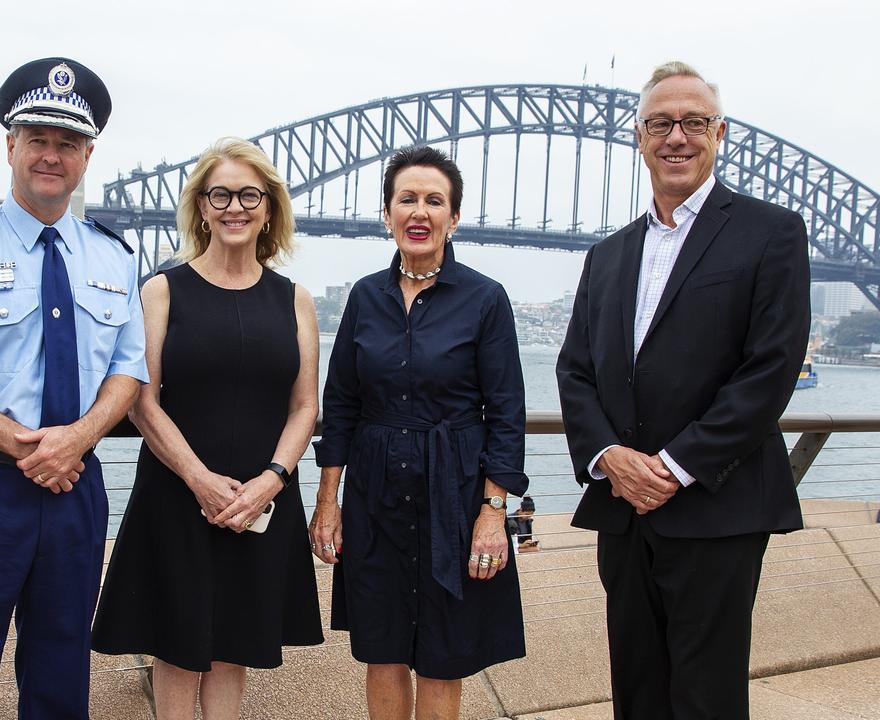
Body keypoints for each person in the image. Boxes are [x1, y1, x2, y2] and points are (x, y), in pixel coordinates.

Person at [556, 61, 810, 720]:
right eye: (661, 123)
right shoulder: (607, 255)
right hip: (623, 507)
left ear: (719, 132)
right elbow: (575, 371)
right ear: (638, 136)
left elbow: (770, 368)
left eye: (694, 122)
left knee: (706, 698)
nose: (678, 137)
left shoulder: (770, 231)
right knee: (636, 691)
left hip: (715, 507)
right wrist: (608, 456)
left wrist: (673, 468)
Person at [0, 57, 146, 720]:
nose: (51, 155)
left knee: (61, 672)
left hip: (75, 488)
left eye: (67, 143)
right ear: (10, 145)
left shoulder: (113, 257)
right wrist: (28, 446)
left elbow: (129, 369)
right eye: (37, 139)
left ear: (88, 155)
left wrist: (77, 441)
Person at [92, 137, 324, 719]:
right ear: (201, 206)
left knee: (234, 648)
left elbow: (305, 406)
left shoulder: (295, 300)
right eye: (219, 194)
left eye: (250, 194)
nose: (235, 207)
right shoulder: (163, 290)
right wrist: (199, 479)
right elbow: (143, 403)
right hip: (177, 493)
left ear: (270, 208)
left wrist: (272, 480)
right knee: (177, 648)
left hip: (260, 497)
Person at [309, 145, 528, 719]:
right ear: (387, 214)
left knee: (442, 655)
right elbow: (342, 403)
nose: (420, 212)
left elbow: (506, 414)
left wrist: (492, 514)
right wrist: (328, 501)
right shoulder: (363, 297)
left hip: (454, 493)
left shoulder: (485, 298)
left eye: (435, 201)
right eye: (407, 199)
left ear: (453, 219)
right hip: (374, 493)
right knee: (380, 650)